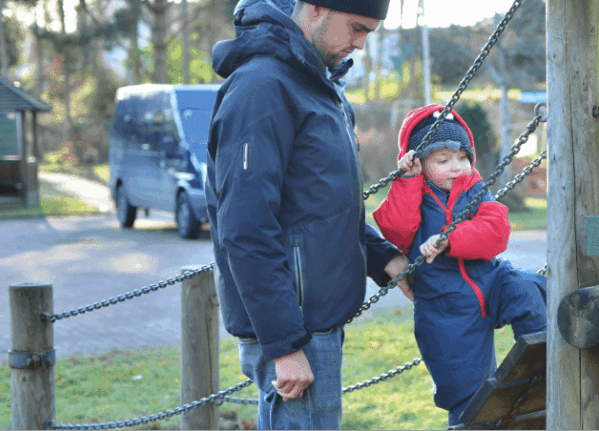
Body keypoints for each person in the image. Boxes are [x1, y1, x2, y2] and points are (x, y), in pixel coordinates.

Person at [205, 0, 410, 429]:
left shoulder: (316, 85)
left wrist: (384, 259)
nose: (360, 45)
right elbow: (244, 228)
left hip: (312, 321)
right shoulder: (263, 87)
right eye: (356, 28)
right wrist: (284, 345)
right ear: (317, 8)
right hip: (294, 328)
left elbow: (319, 205)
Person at [372, 105, 548, 426]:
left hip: (490, 281)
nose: (456, 167)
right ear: (419, 164)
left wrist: (450, 239)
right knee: (467, 393)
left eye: (462, 158)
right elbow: (395, 229)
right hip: (445, 307)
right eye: (442, 160)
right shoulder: (412, 194)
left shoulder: (474, 187)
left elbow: (497, 231)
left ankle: (539, 371)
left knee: (529, 290)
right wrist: (407, 182)